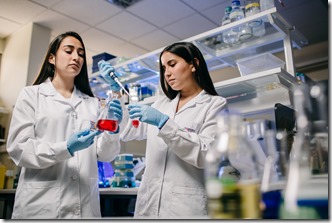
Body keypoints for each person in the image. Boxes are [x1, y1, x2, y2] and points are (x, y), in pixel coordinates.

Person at [98, 42, 228, 219]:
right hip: (149, 205)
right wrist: (116, 91)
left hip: (186, 209)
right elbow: (128, 131)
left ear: (194, 64)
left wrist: (163, 122)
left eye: (172, 64)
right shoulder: (161, 104)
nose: (166, 73)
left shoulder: (215, 105)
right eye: (163, 67)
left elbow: (205, 154)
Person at [6, 31, 123, 219]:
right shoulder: (31, 95)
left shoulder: (92, 104)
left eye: (81, 53)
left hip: (84, 206)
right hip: (41, 206)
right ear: (52, 58)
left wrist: (113, 129)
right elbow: (19, 149)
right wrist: (66, 147)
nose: (76, 57)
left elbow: (106, 155)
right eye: (69, 51)